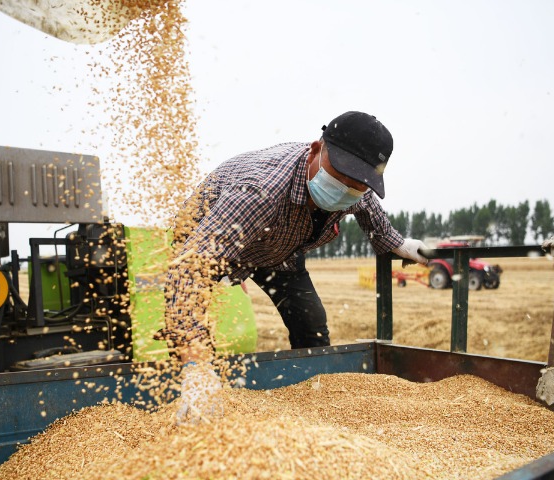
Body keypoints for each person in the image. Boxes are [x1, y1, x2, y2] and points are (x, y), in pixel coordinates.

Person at [158, 111, 428, 424]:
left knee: (311, 323)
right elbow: (186, 271)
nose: (346, 190)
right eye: (340, 178)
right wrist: (195, 367)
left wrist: (398, 244)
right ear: (316, 150)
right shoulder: (257, 192)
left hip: (279, 248)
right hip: (216, 240)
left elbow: (369, 210)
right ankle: (190, 392)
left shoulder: (355, 189)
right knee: (188, 327)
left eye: (357, 185)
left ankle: (313, 403)